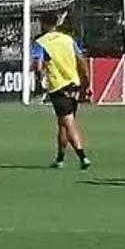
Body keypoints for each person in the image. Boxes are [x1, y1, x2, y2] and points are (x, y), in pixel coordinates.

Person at [31, 12, 91, 170]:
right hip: (74, 83)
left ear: (43, 23)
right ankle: (60, 159)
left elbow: (38, 66)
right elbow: (81, 60)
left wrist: (40, 79)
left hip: (58, 86)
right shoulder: (68, 39)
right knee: (63, 123)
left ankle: (83, 157)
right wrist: (86, 80)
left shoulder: (41, 42)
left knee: (68, 122)